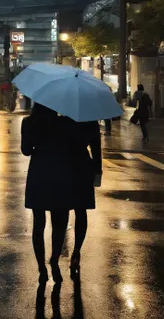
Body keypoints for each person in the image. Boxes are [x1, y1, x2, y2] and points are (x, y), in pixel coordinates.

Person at [21, 104, 72, 284]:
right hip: (60, 174)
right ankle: (54, 261)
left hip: (38, 175)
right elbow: (70, 147)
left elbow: (26, 150)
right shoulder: (64, 123)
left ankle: (41, 267)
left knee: (38, 224)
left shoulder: (28, 123)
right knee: (59, 224)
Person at [65, 119, 102, 280]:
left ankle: (56, 252)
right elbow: (96, 149)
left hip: (64, 164)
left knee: (62, 208)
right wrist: (98, 171)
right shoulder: (91, 122)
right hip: (84, 166)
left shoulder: (64, 120)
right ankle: (76, 251)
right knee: (81, 211)